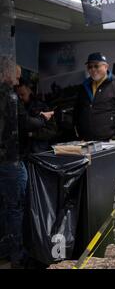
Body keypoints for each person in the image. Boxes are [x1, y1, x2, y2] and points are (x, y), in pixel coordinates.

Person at [0, 59, 53, 268]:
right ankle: (17, 256)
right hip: (10, 161)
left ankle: (5, 250)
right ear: (6, 74)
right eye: (16, 74)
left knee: (5, 208)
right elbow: (23, 124)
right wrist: (43, 119)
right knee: (15, 208)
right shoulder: (10, 96)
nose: (19, 79)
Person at [73, 53, 115, 141]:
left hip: (111, 143)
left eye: (96, 66)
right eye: (90, 67)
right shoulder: (84, 87)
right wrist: (81, 135)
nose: (93, 69)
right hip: (88, 143)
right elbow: (77, 113)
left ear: (106, 67)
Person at [16, 83, 57, 155]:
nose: (20, 98)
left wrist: (32, 134)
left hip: (39, 152)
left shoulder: (42, 106)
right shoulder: (16, 109)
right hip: (22, 152)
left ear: (29, 90)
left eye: (22, 94)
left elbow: (52, 131)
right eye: (18, 96)